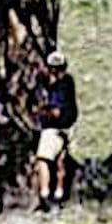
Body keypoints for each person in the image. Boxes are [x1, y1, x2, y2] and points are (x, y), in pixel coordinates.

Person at [33, 50, 78, 207]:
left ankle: (45, 194)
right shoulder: (67, 82)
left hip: (53, 127)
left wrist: (41, 110)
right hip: (68, 126)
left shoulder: (59, 86)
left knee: (43, 159)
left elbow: (55, 112)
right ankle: (59, 193)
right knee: (61, 161)